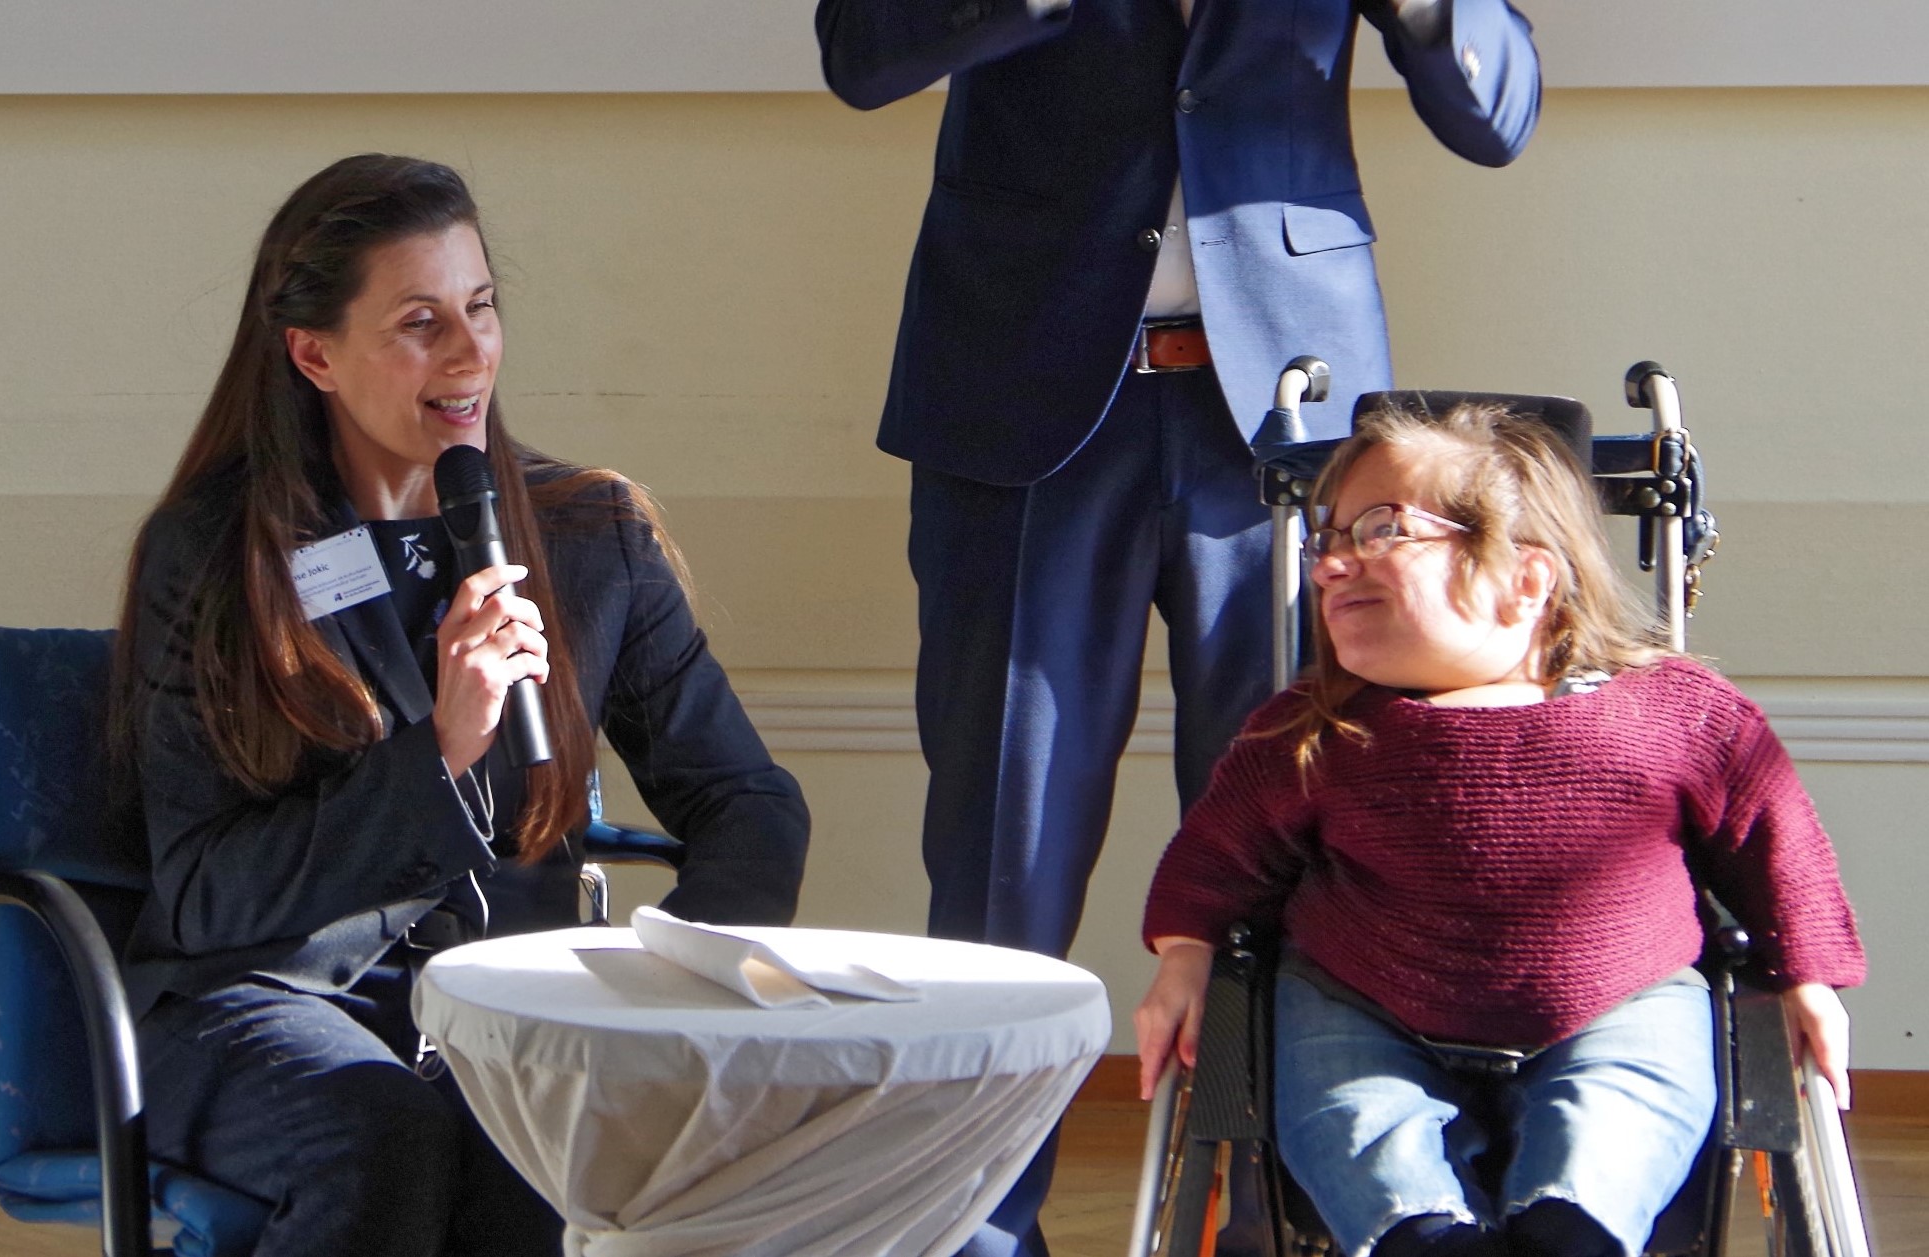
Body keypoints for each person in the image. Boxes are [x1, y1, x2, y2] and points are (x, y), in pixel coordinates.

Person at [819, 4, 1542, 1249]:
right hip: (1023, 403)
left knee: (1297, 861)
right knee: (1006, 850)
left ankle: (1277, 1222)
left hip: (1286, 421)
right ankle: (982, 1230)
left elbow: (1499, 112)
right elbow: (862, 51)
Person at [110, 153, 810, 1256]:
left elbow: (747, 800)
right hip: (263, 999)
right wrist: (441, 749)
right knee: (383, 1128)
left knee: (545, 1136)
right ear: (313, 354)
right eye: (420, 322)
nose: (471, 350)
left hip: (507, 1005)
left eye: (481, 307)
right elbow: (204, 893)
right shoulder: (217, 553)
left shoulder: (589, 532)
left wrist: (679, 987)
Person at [1135, 404, 1865, 1257]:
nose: (1332, 563)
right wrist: (1185, 955)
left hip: (1616, 1003)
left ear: (1527, 578)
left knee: (1625, 1110)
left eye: (1381, 529)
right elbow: (1219, 855)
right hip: (1366, 1005)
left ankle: (1572, 1227)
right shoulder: (1314, 728)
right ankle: (1427, 1234)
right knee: (1348, 1112)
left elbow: (1775, 841)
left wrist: (1807, 978)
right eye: (1327, 538)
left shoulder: (1675, 712)